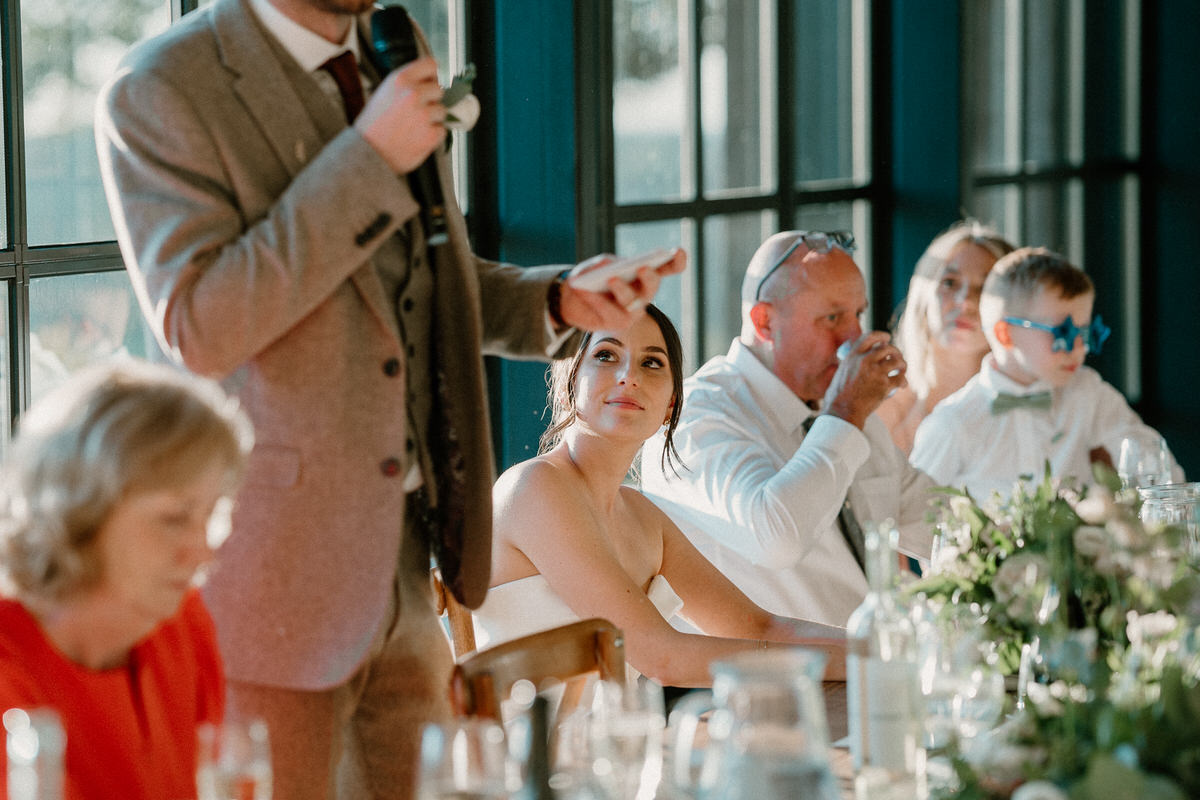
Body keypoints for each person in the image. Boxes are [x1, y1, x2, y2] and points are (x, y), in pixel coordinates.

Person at [93, 3, 683, 798]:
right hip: (271, 580)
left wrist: (557, 305)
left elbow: (432, 275)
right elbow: (200, 323)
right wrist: (369, 156)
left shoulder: (387, 53)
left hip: (410, 566)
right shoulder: (160, 86)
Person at [475, 305, 846, 687]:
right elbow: (661, 657)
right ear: (568, 381)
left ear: (671, 404)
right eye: (606, 355)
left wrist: (879, 651)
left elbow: (757, 625)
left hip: (613, 740)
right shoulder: (534, 488)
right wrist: (851, 664)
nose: (628, 377)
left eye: (652, 363)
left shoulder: (641, 515)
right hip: (519, 743)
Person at [640, 231, 936, 629]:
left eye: (858, 315)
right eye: (832, 318)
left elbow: (938, 521)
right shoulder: (694, 418)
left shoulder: (843, 412)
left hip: (866, 667)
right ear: (765, 321)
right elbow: (776, 537)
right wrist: (845, 413)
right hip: (758, 682)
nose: (853, 338)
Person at [0, 359, 252, 800]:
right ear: (80, 507)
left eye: (209, 517)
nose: (203, 551)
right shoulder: (8, 660)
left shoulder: (183, 626)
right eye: (174, 518)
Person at [910, 247, 1183, 499]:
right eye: (1062, 333)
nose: (1078, 349)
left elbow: (1161, 474)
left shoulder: (1089, 394)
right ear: (1005, 334)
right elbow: (914, 516)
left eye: (1086, 333)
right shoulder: (953, 422)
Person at [876, 221, 1015, 453]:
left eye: (985, 288)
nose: (966, 301)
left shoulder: (1028, 410)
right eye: (950, 283)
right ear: (923, 293)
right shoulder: (883, 412)